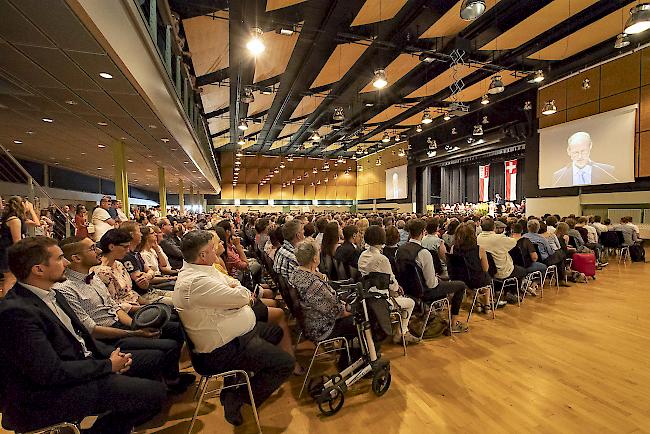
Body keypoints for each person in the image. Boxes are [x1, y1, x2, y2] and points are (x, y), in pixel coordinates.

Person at [0, 237, 167, 434]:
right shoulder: (17, 312)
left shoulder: (52, 293)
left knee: (154, 360)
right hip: (46, 395)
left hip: (80, 367)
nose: (67, 263)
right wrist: (108, 366)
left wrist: (114, 356)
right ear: (38, 269)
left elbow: (82, 341)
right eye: (60, 258)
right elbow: (50, 372)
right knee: (154, 394)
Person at [173, 230, 294, 426]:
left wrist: (237, 294)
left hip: (238, 335)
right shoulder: (195, 282)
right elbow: (242, 296)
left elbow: (233, 283)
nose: (216, 251)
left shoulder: (203, 269)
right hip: (222, 350)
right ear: (202, 255)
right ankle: (238, 397)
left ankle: (241, 377)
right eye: (212, 249)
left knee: (275, 332)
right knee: (285, 364)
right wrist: (240, 296)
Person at [55, 236, 193, 393]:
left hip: (120, 323)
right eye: (93, 248)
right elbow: (92, 329)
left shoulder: (92, 276)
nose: (99, 251)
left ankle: (169, 378)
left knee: (174, 326)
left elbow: (115, 308)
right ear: (76, 258)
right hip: (107, 337)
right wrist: (134, 333)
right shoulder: (66, 289)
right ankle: (163, 385)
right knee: (167, 346)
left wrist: (135, 326)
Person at [396, 219, 469, 333]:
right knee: (461, 285)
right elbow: (431, 284)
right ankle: (454, 324)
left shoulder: (399, 250)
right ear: (422, 232)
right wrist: (437, 279)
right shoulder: (423, 253)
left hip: (408, 290)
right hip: (424, 291)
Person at [358, 226, 420, 344]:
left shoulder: (363, 255)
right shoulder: (381, 259)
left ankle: (399, 331)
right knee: (410, 303)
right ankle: (401, 333)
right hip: (380, 299)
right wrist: (396, 290)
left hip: (366, 297)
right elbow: (391, 282)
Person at [449, 222, 499, 311]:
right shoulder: (480, 249)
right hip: (476, 280)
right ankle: (487, 304)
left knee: (478, 277)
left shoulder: (453, 248)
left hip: (459, 279)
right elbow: (485, 268)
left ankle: (478, 301)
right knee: (486, 277)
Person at [477, 217, 527, 303]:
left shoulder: (478, 238)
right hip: (501, 271)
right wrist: (515, 236)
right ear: (494, 227)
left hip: (487, 270)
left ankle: (500, 290)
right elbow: (514, 242)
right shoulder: (499, 238)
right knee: (522, 271)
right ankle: (513, 292)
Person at [552, 131, 618, 187]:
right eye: (576, 152)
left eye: (583, 151)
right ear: (568, 151)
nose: (580, 156)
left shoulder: (608, 171)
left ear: (590, 147)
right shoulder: (558, 176)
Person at [522, 219, 570, 287]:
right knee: (561, 254)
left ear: (528, 227)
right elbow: (550, 252)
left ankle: (560, 278)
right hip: (544, 260)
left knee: (560, 256)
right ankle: (561, 279)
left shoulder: (523, 237)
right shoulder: (542, 239)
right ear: (538, 228)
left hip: (529, 259)